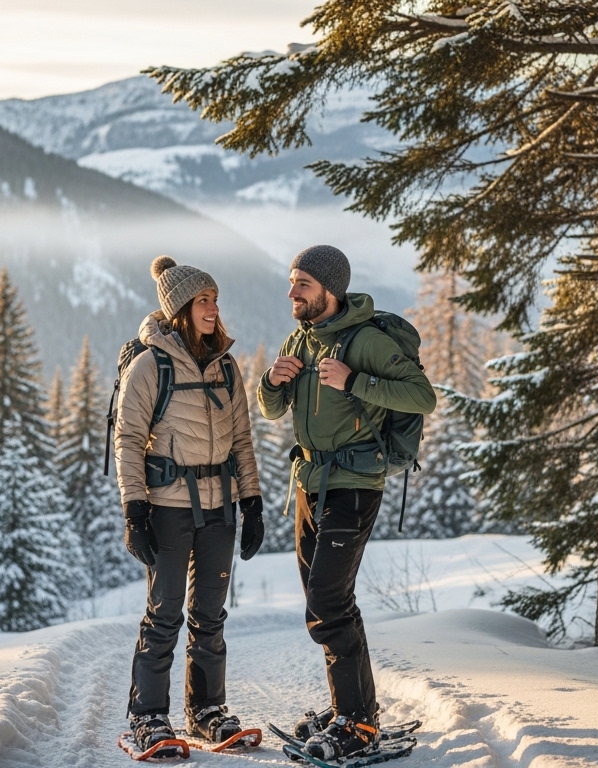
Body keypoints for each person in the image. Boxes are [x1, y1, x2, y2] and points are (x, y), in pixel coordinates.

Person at [257, 245, 436, 761]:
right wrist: (271, 382)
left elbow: (422, 396)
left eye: (303, 284)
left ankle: (356, 722)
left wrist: (355, 380)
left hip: (355, 483)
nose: (292, 292)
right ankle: (355, 711)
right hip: (308, 484)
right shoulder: (300, 339)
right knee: (329, 602)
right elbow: (271, 410)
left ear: (330, 291)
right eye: (292, 281)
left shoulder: (366, 341)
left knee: (327, 601)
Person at [115, 255, 267, 755]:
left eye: (215, 299)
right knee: (164, 615)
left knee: (210, 616)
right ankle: (148, 717)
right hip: (167, 507)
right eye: (203, 300)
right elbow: (128, 439)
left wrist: (253, 502)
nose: (213, 308)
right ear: (181, 308)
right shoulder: (150, 365)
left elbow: (242, 439)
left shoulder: (225, 365)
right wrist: (135, 511)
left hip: (221, 508)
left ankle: (206, 711)